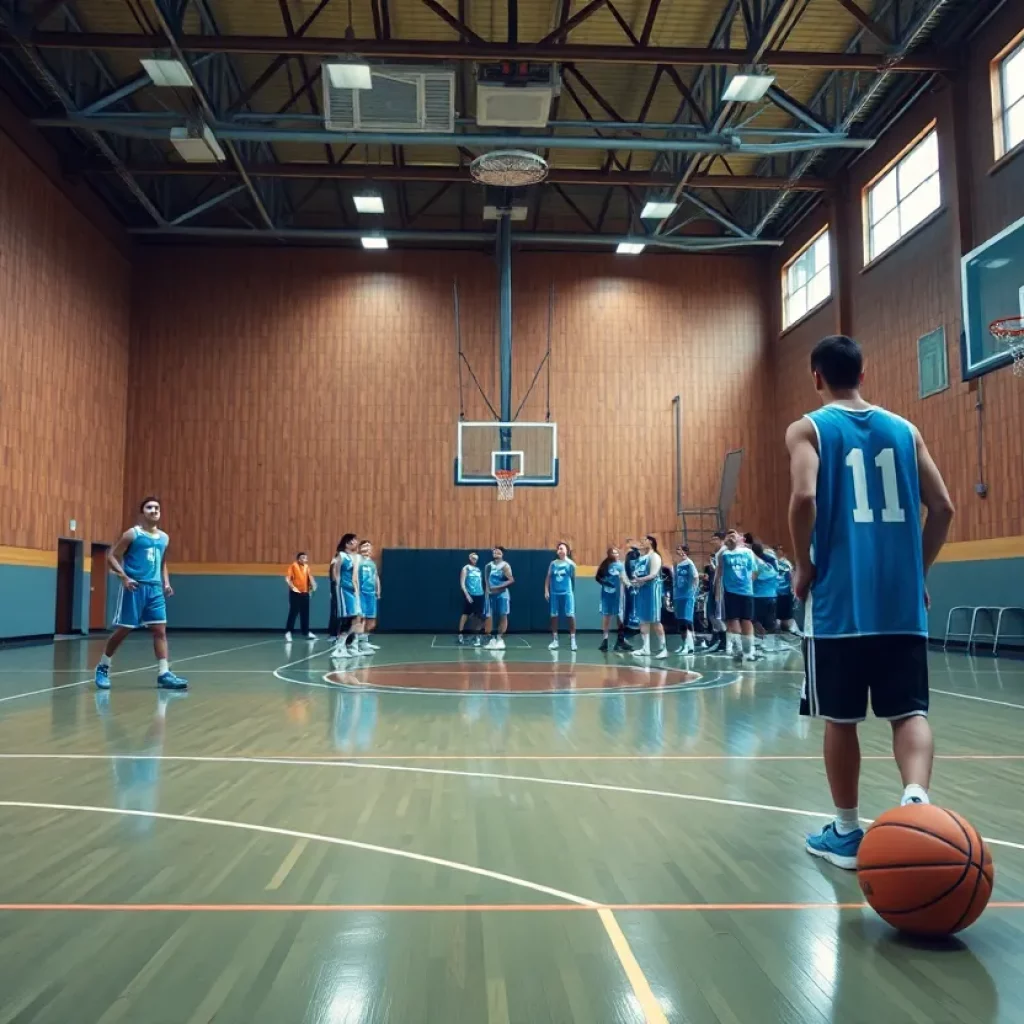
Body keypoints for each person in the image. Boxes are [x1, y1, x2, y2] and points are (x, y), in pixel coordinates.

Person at [787, 334, 953, 869]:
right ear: (863, 373)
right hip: (901, 603)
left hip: (839, 605)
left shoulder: (808, 428)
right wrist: (916, 571)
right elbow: (944, 507)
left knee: (842, 719)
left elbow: (805, 496)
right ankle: (916, 803)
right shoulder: (906, 430)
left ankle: (846, 830)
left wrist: (804, 564)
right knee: (909, 712)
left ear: (817, 377)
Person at [94, 497, 187, 691]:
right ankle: (103, 666)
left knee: (160, 630)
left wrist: (166, 582)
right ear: (142, 512)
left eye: (157, 507)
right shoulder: (132, 534)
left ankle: (164, 674)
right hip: (135, 588)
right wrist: (124, 578)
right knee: (124, 630)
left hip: (155, 589)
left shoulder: (164, 538)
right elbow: (112, 555)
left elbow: (162, 563)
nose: (154, 510)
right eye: (149, 507)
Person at [715, 529, 758, 662]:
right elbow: (719, 571)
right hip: (730, 592)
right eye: (729, 535)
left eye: (734, 535)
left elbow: (755, 571)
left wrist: (748, 583)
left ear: (739, 538)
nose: (732, 537)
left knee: (746, 620)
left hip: (746, 592)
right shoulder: (724, 554)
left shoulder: (747, 552)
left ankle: (748, 651)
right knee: (733, 621)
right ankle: (740, 648)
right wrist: (717, 590)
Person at [630, 535, 667, 659]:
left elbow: (653, 574)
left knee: (655, 620)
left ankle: (664, 648)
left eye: (644, 540)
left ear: (650, 542)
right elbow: (637, 572)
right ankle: (646, 648)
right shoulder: (641, 558)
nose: (641, 542)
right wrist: (635, 579)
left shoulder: (654, 556)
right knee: (643, 619)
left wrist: (639, 579)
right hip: (642, 590)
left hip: (652, 590)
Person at [332, 534, 364, 659]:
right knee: (348, 617)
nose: (356, 543)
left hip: (352, 590)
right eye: (353, 541)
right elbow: (336, 574)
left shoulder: (354, 558)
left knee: (356, 617)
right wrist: (337, 589)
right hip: (343, 589)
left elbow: (354, 577)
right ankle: (339, 647)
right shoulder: (341, 556)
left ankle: (348, 644)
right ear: (347, 543)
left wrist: (356, 590)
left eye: (356, 541)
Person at [699, 529, 728, 652]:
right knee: (711, 614)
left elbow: (721, 573)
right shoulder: (717, 553)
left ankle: (724, 641)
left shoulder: (724, 552)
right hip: (713, 586)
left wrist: (718, 590)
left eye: (714, 539)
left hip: (720, 587)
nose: (712, 541)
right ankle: (717, 638)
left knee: (717, 615)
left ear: (721, 539)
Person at [545, 542, 577, 651]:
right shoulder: (553, 563)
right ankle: (555, 640)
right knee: (554, 616)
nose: (560, 550)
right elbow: (548, 577)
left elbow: (573, 574)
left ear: (567, 551)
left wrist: (567, 559)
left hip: (567, 593)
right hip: (555, 593)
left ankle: (573, 640)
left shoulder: (570, 564)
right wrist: (546, 590)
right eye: (558, 548)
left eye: (562, 548)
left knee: (570, 615)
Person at [750, 540, 779, 654]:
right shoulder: (771, 560)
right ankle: (769, 646)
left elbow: (753, 576)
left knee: (754, 620)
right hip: (772, 595)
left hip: (758, 596)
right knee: (768, 621)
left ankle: (761, 643)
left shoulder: (757, 562)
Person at [595, 546, 626, 652]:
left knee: (619, 616)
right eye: (613, 553)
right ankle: (605, 639)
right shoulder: (605, 565)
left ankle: (620, 640)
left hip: (618, 594)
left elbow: (623, 578)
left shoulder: (621, 565)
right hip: (606, 594)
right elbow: (597, 577)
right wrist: (605, 582)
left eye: (616, 552)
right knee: (606, 616)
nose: (615, 554)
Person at [484, 546, 514, 650]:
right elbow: (486, 579)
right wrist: (487, 590)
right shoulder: (488, 566)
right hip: (491, 595)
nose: (496, 552)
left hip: (502, 594)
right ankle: (491, 639)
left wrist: (497, 587)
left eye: (498, 551)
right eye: (494, 551)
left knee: (503, 615)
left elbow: (511, 580)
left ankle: (500, 639)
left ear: (502, 554)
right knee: (489, 616)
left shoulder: (505, 566)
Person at [284, 552, 317, 642]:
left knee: (305, 614)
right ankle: (288, 632)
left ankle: (306, 632)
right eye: (302, 557)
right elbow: (288, 578)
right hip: (295, 593)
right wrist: (293, 588)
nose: (304, 559)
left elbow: (309, 578)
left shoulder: (307, 567)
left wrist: (313, 585)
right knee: (293, 612)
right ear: (298, 559)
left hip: (305, 593)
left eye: (305, 558)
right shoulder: (293, 566)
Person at [672, 544, 698, 655]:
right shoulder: (678, 564)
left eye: (682, 550)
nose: (680, 552)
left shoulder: (689, 563)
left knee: (686, 621)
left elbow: (696, 577)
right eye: (678, 550)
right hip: (678, 596)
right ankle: (685, 645)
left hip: (687, 596)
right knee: (681, 621)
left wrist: (692, 591)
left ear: (686, 552)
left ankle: (690, 646)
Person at [616, 538, 641, 652]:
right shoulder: (623, 564)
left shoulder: (638, 561)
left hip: (635, 590)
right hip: (625, 592)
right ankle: (621, 640)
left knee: (632, 616)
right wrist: (629, 585)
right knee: (624, 615)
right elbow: (624, 576)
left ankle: (621, 640)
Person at [357, 540, 381, 654]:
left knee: (371, 621)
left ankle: (364, 641)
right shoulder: (357, 561)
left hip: (371, 594)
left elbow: (375, 577)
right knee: (361, 618)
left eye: (369, 546)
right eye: (365, 546)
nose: (367, 548)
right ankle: (358, 643)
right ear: (360, 548)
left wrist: (378, 590)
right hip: (361, 593)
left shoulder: (372, 563)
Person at [458, 552, 485, 646]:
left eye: (476, 559)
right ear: (470, 558)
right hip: (470, 595)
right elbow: (462, 583)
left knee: (480, 616)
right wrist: (467, 595)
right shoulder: (466, 568)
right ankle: (460, 634)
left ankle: (477, 636)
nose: (475, 560)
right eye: (473, 558)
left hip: (480, 595)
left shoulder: (478, 569)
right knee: (465, 614)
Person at [774, 544, 801, 636]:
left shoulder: (787, 563)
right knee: (775, 617)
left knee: (785, 618)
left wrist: (793, 589)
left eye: (780, 549)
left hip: (785, 592)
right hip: (774, 593)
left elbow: (792, 576)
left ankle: (786, 630)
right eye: (777, 549)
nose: (778, 551)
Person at [327, 540, 344, 639]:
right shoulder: (336, 560)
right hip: (336, 587)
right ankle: (333, 633)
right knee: (336, 611)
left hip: (341, 588)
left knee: (340, 611)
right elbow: (333, 577)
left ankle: (338, 632)